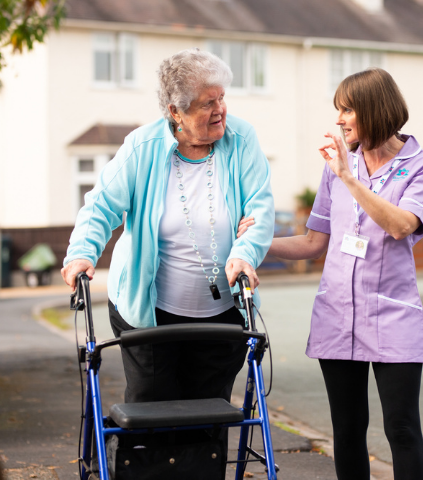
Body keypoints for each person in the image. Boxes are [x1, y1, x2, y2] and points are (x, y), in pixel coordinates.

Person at [61, 48, 274, 474]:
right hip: (148, 311)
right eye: (207, 103)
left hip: (222, 313)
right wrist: (82, 253)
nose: (221, 110)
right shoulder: (141, 148)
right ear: (175, 111)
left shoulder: (241, 139)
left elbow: (260, 208)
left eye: (222, 98)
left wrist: (244, 253)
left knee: (208, 414)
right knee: (153, 412)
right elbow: (101, 206)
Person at [239, 68, 423, 480]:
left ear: (373, 109)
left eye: (346, 109)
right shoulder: (336, 168)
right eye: (338, 110)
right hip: (337, 315)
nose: (340, 120)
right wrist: (254, 243)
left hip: (392, 316)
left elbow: (401, 225)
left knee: (401, 428)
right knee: (347, 430)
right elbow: (315, 243)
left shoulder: (421, 165)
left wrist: (348, 177)